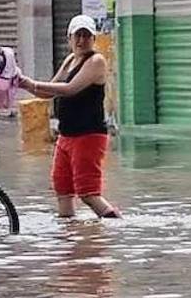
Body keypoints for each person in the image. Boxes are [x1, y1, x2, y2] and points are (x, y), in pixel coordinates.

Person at [19, 15, 121, 219]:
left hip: (88, 136)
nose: (81, 41)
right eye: (77, 35)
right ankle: (69, 238)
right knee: (62, 190)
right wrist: (18, 82)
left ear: (93, 39)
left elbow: (69, 89)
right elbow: (48, 92)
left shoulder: (96, 61)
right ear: (69, 38)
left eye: (86, 36)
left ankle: (117, 228)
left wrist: (32, 84)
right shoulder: (70, 60)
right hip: (66, 136)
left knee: (88, 193)